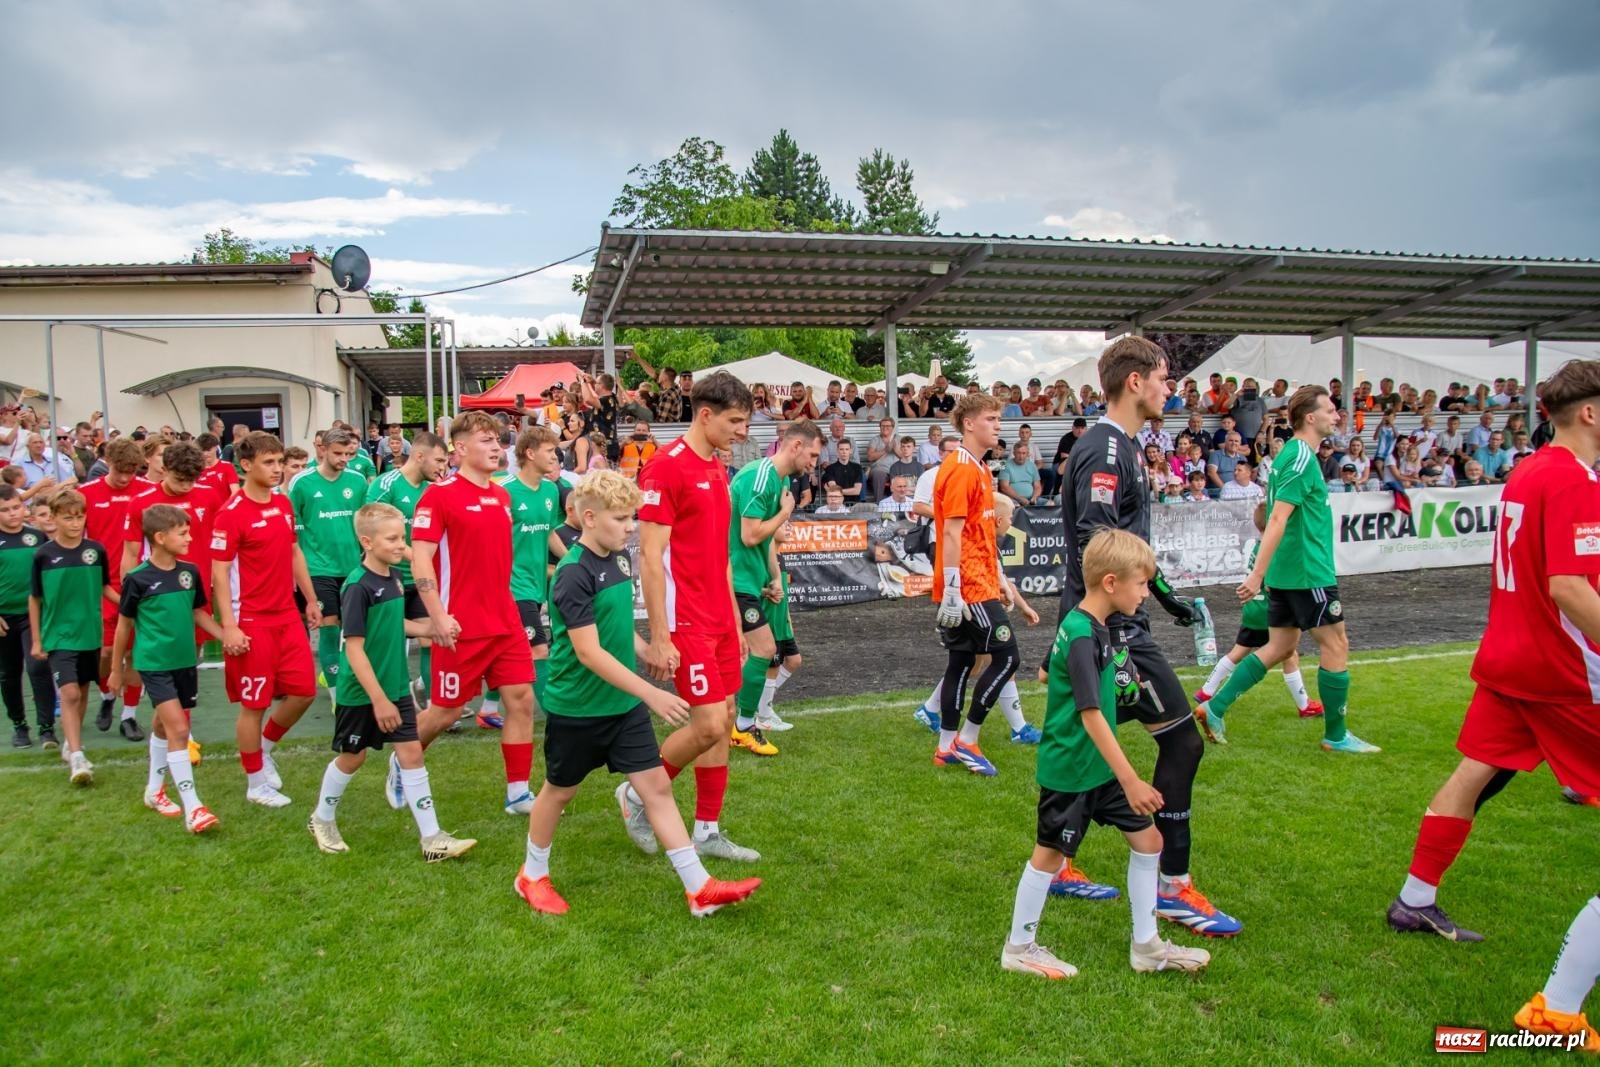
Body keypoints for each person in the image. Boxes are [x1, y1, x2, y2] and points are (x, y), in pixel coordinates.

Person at [1384, 359, 1600, 1052]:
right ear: (1589, 412)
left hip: (1509, 653)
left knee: (1475, 771)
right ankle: (1558, 1008)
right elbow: (1568, 585)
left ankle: (1414, 899)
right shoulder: (1570, 475)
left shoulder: (1531, 468)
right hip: (1558, 667)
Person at [1049, 335, 1239, 933]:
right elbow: (1098, 544)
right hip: (1115, 632)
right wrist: (1117, 628)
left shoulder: (1122, 445)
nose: (1169, 389)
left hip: (1115, 624)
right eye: (1163, 378)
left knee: (1087, 743)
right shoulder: (1107, 449)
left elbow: (1120, 548)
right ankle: (1172, 887)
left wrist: (1163, 596)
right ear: (1135, 381)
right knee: (1182, 744)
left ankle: (1057, 862)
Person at [513, 470, 761, 917]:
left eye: (633, 518)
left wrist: (645, 648)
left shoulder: (617, 560)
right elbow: (588, 652)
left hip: (621, 705)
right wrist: (651, 693)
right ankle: (531, 875)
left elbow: (615, 626)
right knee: (559, 792)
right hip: (579, 708)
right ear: (588, 518)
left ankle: (699, 889)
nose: (631, 528)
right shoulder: (571, 574)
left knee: (657, 792)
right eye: (623, 519)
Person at [1001, 528, 1212, 980]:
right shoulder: (1080, 634)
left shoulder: (1098, 628)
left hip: (1098, 768)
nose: (1145, 594)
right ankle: (1018, 948)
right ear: (1112, 583)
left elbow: (1118, 693)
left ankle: (1147, 947)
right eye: (1141, 584)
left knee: (1149, 840)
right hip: (1073, 769)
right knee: (1049, 855)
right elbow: (1091, 714)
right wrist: (1133, 780)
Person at [616, 371, 759, 862]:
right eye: (736, 421)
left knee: (726, 717)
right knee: (707, 725)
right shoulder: (664, 469)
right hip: (686, 621)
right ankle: (637, 795)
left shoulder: (718, 468)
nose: (742, 432)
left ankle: (707, 829)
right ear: (705, 415)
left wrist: (737, 624)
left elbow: (719, 554)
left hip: (720, 618)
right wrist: (658, 636)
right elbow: (650, 557)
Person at [1196, 385, 1380, 755]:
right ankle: (1337, 735)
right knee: (1336, 644)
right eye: (1329, 409)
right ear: (1310, 418)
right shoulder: (1298, 457)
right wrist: (1255, 575)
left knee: (1280, 646)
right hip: (1306, 572)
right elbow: (1276, 519)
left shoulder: (1294, 456)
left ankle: (1214, 707)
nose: (1336, 415)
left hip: (1290, 572)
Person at [304, 503, 476, 861]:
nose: (402, 544)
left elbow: (392, 623)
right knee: (353, 758)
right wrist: (378, 700)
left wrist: (430, 629)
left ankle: (432, 839)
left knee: (412, 754)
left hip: (396, 685)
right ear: (367, 541)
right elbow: (354, 648)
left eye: (403, 536)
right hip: (363, 693)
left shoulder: (395, 578)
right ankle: (321, 819)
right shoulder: (357, 587)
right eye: (393, 538)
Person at [407, 412, 538, 815]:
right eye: (486, 440)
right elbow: (421, 559)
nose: (497, 446)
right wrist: (438, 616)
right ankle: (404, 761)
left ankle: (518, 792)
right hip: (461, 624)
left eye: (498, 440)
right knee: (444, 712)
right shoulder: (439, 495)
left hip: (505, 619)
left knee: (521, 700)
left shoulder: (501, 496)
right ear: (460, 449)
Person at [211, 432, 322, 807]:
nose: (277, 469)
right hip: (252, 620)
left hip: (287, 615)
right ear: (246, 466)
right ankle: (255, 782)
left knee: (305, 692)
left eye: (279, 462)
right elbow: (220, 573)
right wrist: (229, 624)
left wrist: (309, 599)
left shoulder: (283, 505)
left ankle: (265, 749)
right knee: (254, 704)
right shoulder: (231, 513)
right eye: (269, 463)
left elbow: (294, 553)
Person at [108, 504, 226, 830]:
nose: (190, 538)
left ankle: (154, 791)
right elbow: (123, 626)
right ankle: (194, 808)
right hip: (154, 664)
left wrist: (226, 636)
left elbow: (198, 612)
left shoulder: (189, 572)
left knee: (163, 727)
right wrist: (118, 669)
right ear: (160, 537)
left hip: (185, 663)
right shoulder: (138, 579)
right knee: (179, 730)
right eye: (183, 533)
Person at [928, 392, 1019, 776]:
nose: (998, 425)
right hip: (968, 585)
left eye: (999, 419)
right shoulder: (963, 468)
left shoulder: (978, 467)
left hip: (976, 581)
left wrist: (999, 578)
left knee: (962, 661)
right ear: (968, 423)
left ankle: (947, 746)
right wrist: (952, 588)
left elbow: (978, 533)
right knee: (1008, 656)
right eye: (991, 418)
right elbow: (951, 533)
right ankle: (968, 739)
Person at [728, 421, 821, 755]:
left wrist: (772, 578)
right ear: (795, 445)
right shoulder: (762, 476)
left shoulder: (777, 478)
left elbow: (764, 539)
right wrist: (785, 511)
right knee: (763, 650)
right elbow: (750, 535)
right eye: (812, 454)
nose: (813, 462)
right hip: (733, 578)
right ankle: (743, 724)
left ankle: (741, 721)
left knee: (758, 651)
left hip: (751, 580)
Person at [1195, 501, 1324, 718]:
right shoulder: (1276, 547)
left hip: (1253, 608)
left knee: (1238, 651)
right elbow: (1273, 582)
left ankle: (1206, 691)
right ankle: (1304, 706)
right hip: (1269, 610)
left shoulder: (1256, 545)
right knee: (1289, 653)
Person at [29, 489, 114, 785]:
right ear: (53, 519)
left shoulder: (95, 550)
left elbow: (105, 588)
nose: (75, 523)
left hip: (90, 634)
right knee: (69, 693)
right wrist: (38, 640)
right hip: (59, 636)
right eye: (68, 518)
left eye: (80, 517)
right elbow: (35, 598)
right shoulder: (43, 555)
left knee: (82, 691)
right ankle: (77, 756)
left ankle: (71, 741)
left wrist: (131, 605)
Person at [364, 431, 449, 700]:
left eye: (445, 461)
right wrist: (415, 556)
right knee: (388, 641)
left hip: (422, 579)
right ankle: (386, 697)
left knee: (431, 637)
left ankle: (435, 701)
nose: (442, 467)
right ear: (419, 456)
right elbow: (374, 532)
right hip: (388, 577)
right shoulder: (386, 485)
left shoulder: (435, 489)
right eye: (438, 460)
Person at [79, 438, 153, 741]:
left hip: (138, 585)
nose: (124, 477)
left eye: (130, 471)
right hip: (102, 586)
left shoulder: (148, 492)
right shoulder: (86, 494)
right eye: (119, 470)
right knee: (107, 652)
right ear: (107, 463)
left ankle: (129, 716)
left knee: (135, 654)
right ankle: (109, 696)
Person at [288, 429, 366, 705]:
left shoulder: (357, 482)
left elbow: (363, 522)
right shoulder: (302, 483)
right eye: (338, 453)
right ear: (322, 449)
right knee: (329, 626)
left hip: (353, 568)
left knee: (354, 630)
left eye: (349, 454)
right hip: (318, 569)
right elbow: (293, 533)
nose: (344, 458)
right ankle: (338, 697)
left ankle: (339, 676)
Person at [0, 485, 55, 748]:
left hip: (34, 616)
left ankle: (47, 728)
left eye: (16, 507)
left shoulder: (38, 538)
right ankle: (19, 725)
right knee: (9, 674)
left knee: (38, 668)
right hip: (4, 618)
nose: (12, 514)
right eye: (5, 510)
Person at [998, 441, 1040, 506]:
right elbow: (1004, 487)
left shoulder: (1032, 466)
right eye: (1018, 453)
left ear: (1027, 454)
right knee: (1015, 506)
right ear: (1014, 453)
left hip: (1031, 499)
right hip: (1013, 499)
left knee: (1050, 504)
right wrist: (1020, 499)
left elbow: (1037, 486)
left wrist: (1034, 497)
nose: (1021, 456)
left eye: (1024, 453)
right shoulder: (1004, 464)